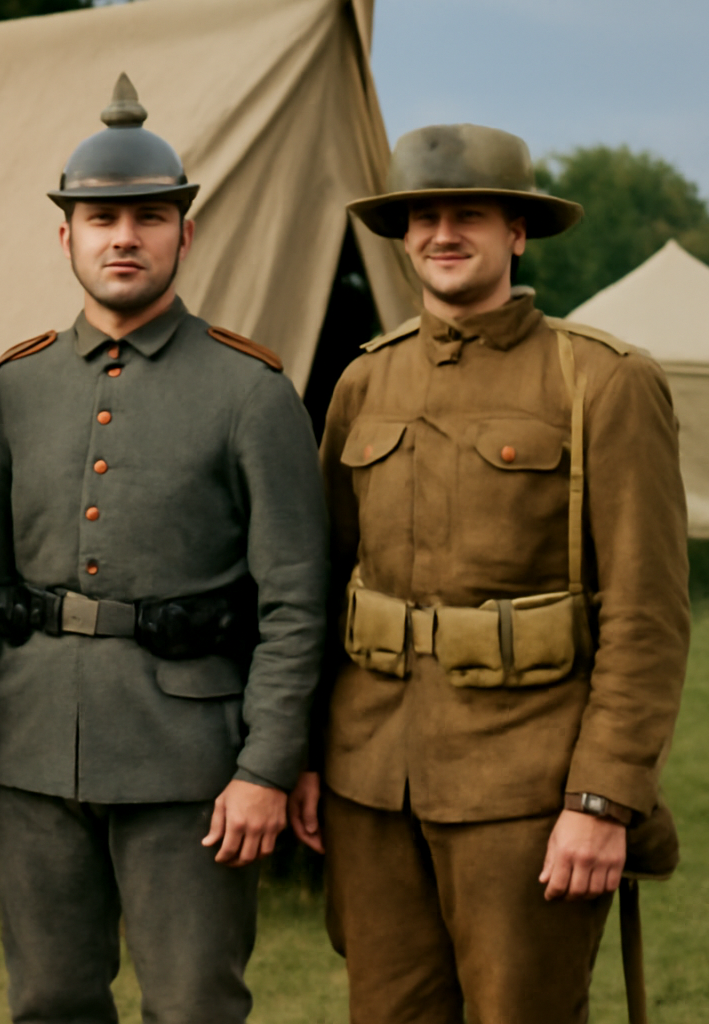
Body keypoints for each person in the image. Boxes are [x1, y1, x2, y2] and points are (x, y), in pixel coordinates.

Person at [289, 123, 690, 1023]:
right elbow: (320, 587)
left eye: (468, 213)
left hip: (527, 789)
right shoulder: (365, 384)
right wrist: (307, 757)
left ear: (518, 231)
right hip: (372, 782)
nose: (442, 233)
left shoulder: (602, 383)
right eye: (423, 216)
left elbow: (647, 616)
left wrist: (603, 798)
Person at [0, 74, 329, 1024]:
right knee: (49, 1000)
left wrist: (264, 768)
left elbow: (297, 601)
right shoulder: (15, 388)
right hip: (33, 747)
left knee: (194, 1004)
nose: (122, 237)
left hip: (192, 761)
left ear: (186, 231)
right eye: (100, 218)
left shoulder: (253, 392)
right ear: (67, 236)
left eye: (147, 216)